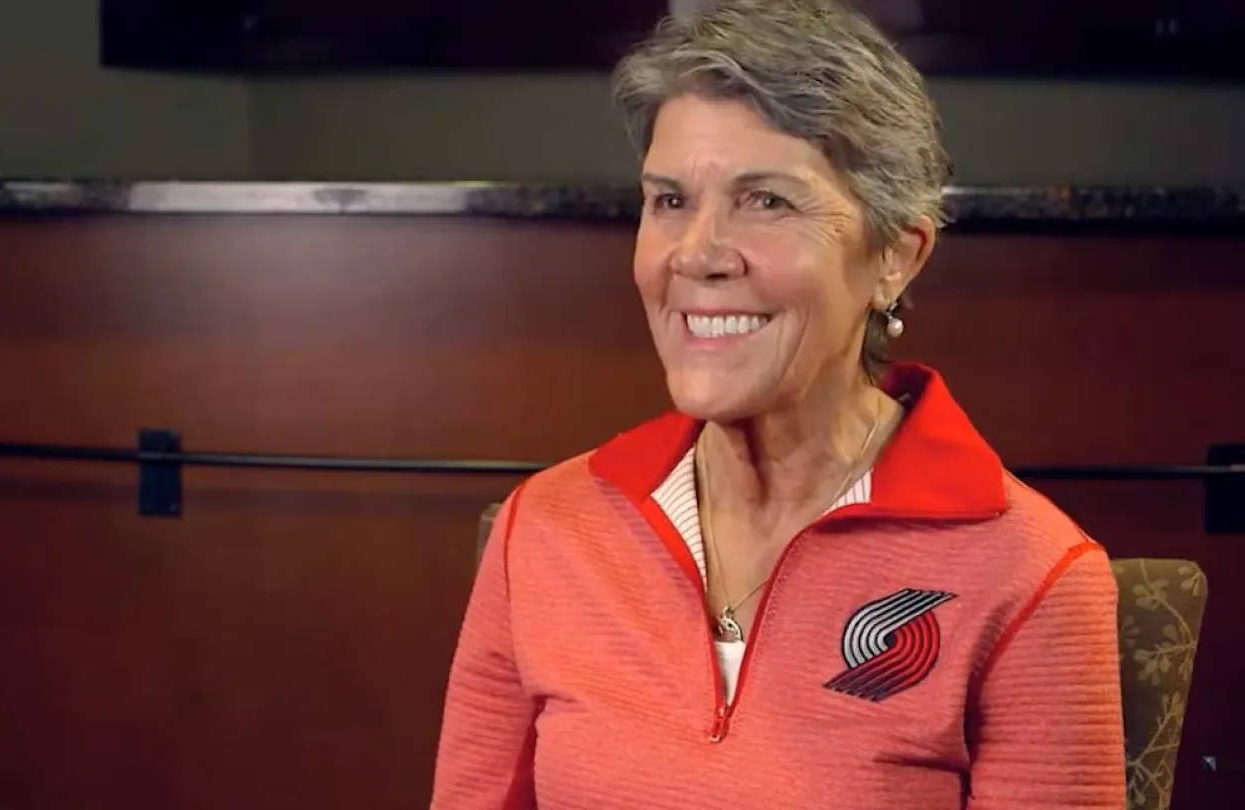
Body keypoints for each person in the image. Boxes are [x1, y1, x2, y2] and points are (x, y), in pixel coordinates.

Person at [430, 1, 1126, 807]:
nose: (697, 254)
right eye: (669, 201)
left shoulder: (1031, 572)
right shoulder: (544, 530)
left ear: (894, 259)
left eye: (767, 201)